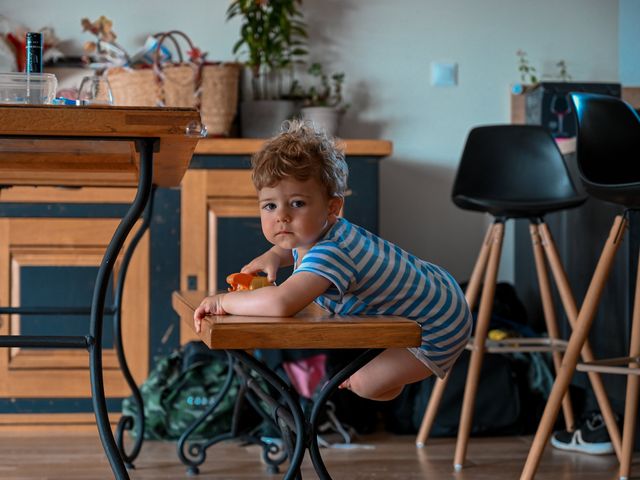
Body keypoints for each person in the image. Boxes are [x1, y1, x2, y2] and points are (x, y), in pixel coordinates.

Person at [194, 120, 472, 402]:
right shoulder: (320, 232)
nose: (282, 216)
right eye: (270, 205)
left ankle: (385, 375)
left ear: (332, 207)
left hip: (438, 324)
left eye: (297, 203)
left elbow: (281, 303)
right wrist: (273, 255)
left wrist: (220, 303)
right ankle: (389, 370)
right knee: (375, 373)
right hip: (438, 288)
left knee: (365, 384)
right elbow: (297, 245)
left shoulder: (332, 253)